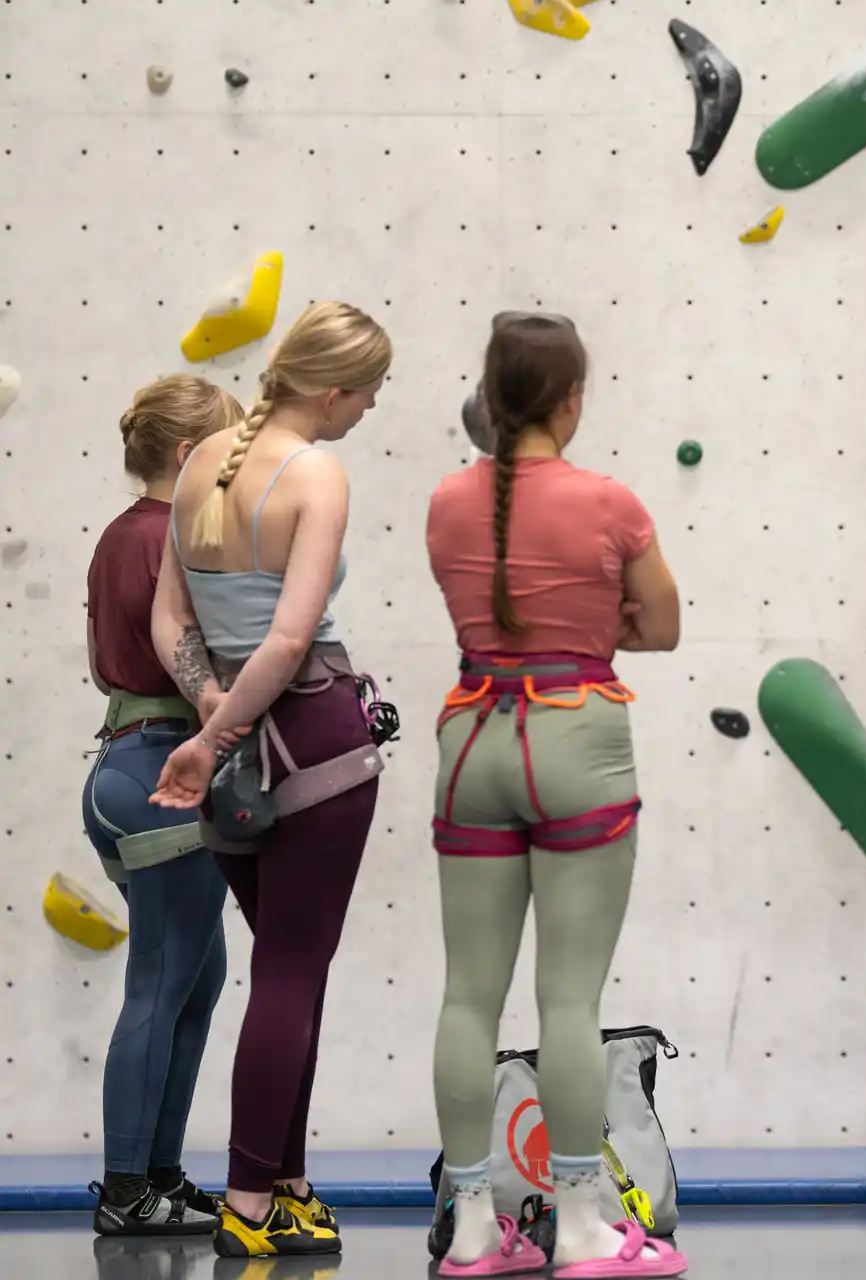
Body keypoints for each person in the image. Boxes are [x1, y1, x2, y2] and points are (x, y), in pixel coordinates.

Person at [424, 313, 686, 1279]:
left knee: (468, 996)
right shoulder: (608, 502)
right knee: (568, 999)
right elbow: (662, 624)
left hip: (472, 736)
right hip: (576, 731)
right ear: (572, 401)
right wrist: (595, 618)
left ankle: (472, 1229)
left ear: (490, 398)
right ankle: (579, 1226)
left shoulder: (447, 502)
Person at [149, 301, 393, 1258]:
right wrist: (217, 738)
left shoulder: (198, 465)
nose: (370, 408)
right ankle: (250, 1201)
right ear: (331, 392)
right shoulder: (316, 473)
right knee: (292, 974)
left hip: (232, 745)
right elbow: (291, 640)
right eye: (369, 392)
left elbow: (173, 620)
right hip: (310, 739)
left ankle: (285, 1183)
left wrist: (210, 714)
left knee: (290, 968)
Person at [83, 374, 243, 1237]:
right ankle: (125, 1191)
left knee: (193, 978)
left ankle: (158, 1177)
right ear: (187, 454)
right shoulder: (172, 538)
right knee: (160, 983)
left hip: (120, 762)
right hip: (163, 774)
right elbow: (206, 663)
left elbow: (106, 658)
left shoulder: (120, 534)